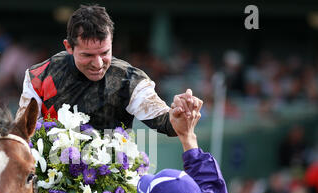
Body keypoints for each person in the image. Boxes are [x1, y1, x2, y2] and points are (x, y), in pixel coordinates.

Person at [16, 4, 202, 135]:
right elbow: (22, 133)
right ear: (68, 47)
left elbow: (165, 122)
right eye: (88, 55)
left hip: (112, 184)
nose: (98, 64)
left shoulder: (130, 80)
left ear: (112, 43)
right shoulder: (38, 77)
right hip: (51, 180)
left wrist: (178, 116)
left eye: (104, 53)